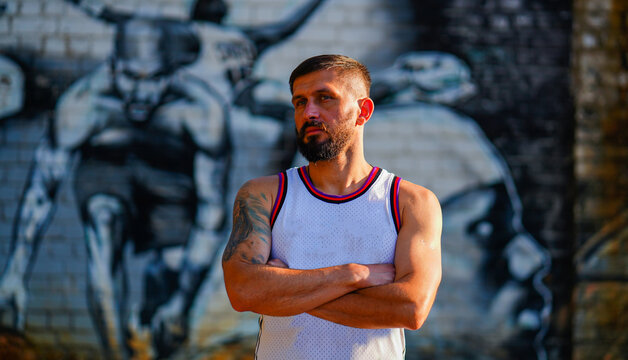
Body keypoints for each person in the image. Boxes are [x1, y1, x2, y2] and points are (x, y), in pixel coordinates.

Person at [222, 54, 443, 359]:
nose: (309, 112)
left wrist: (283, 288)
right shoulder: (264, 195)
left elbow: (411, 308)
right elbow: (243, 291)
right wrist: (352, 275)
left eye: (325, 98)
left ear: (362, 111)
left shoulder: (410, 202)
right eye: (299, 102)